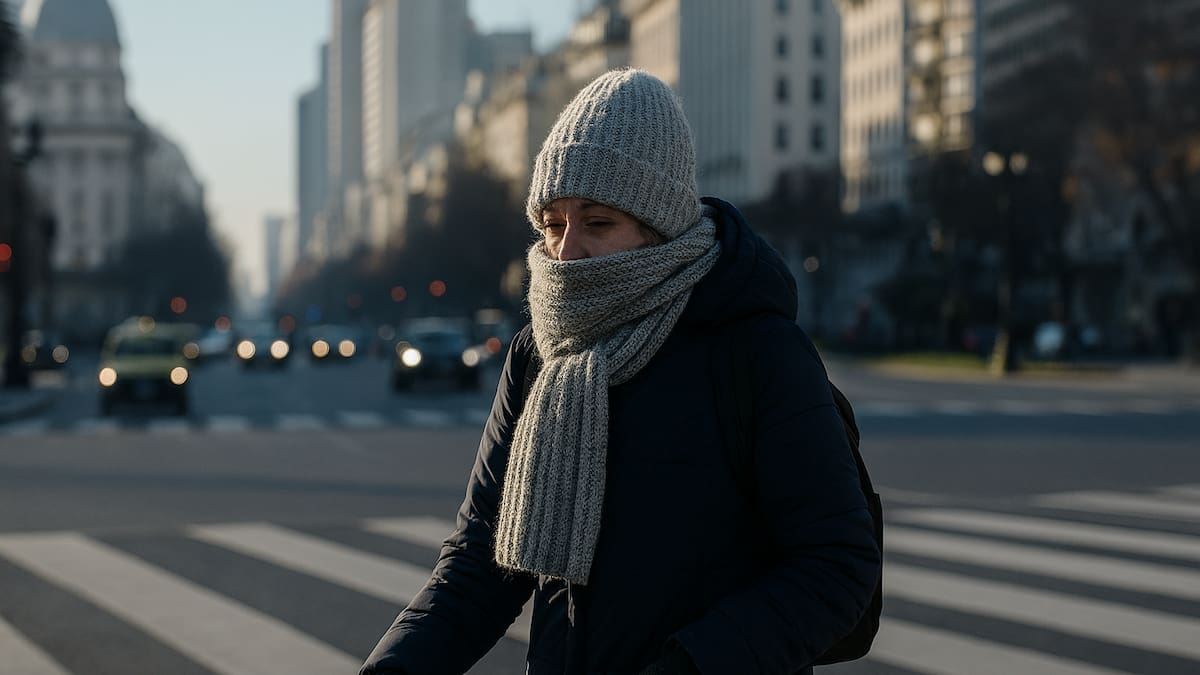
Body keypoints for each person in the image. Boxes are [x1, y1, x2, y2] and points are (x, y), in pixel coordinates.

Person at [361, 68, 879, 675]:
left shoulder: (757, 350)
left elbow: (836, 564)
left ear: (659, 224)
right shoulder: (538, 355)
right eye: (553, 223)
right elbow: (481, 564)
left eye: (598, 222)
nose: (566, 250)